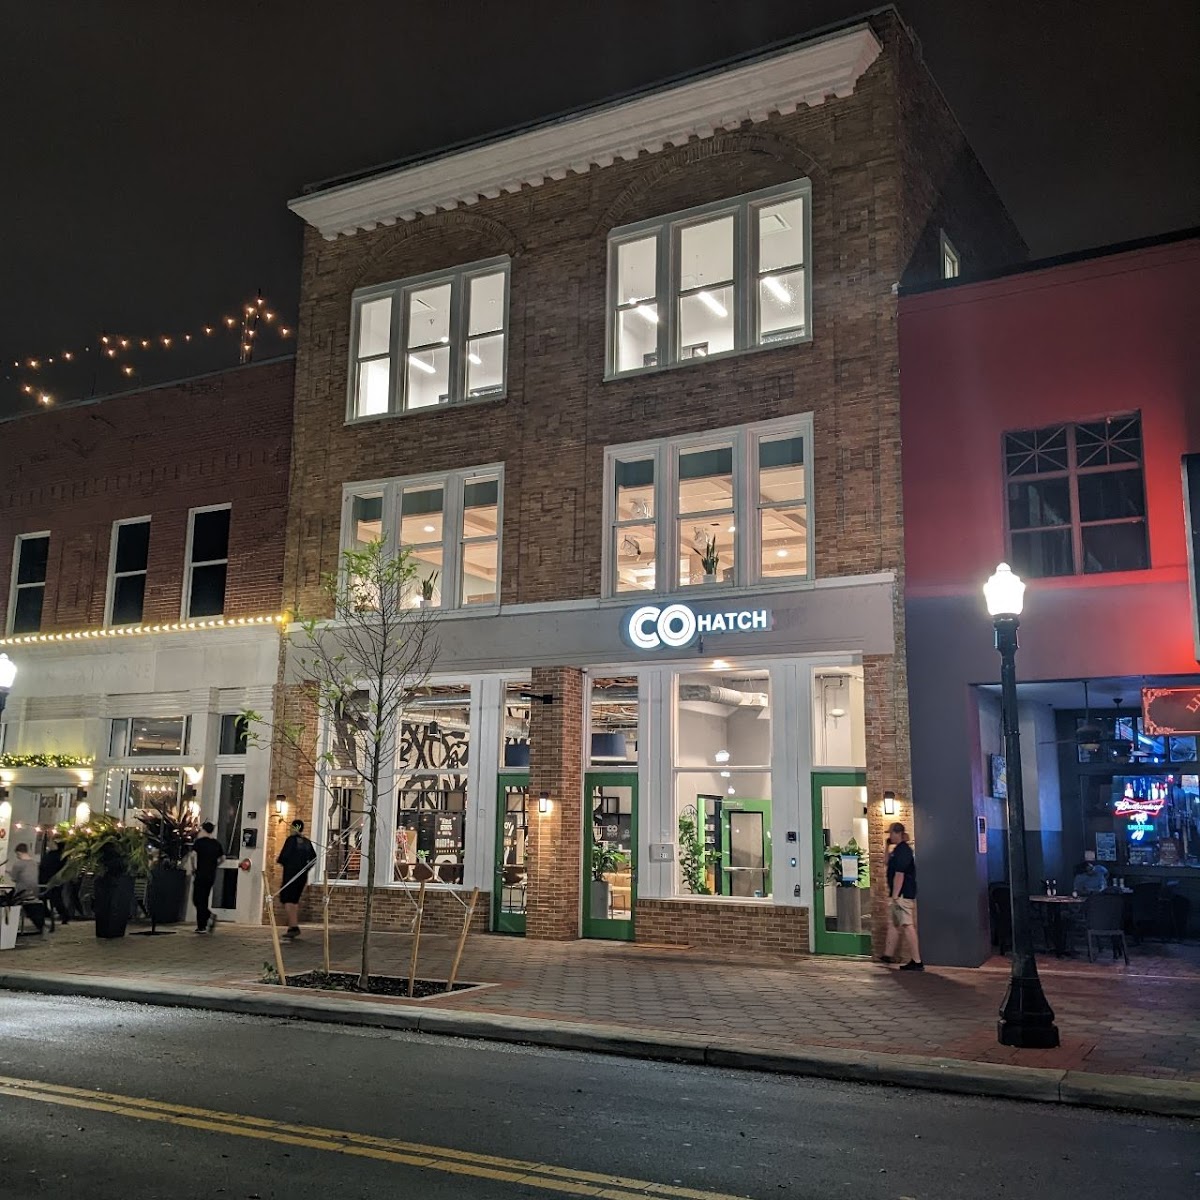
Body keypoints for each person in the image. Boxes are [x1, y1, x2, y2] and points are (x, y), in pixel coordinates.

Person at [880, 822, 923, 970]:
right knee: (894, 924)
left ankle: (917, 961)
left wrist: (895, 896)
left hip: (902, 894)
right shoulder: (897, 850)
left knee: (907, 925)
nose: (890, 836)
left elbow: (900, 874)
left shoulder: (904, 851)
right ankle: (888, 954)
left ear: (897, 833)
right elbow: (886, 862)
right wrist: (887, 846)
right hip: (899, 894)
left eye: (891, 833)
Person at [276, 819, 317, 939]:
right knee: (294, 900)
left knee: (287, 899)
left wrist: (287, 863)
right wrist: (305, 869)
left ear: (294, 828)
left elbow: (283, 857)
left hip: (290, 875)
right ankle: (292, 926)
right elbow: (314, 858)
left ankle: (293, 926)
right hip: (302, 876)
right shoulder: (306, 842)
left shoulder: (291, 840)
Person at [191, 821, 225, 934]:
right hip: (211, 875)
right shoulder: (216, 844)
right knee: (204, 899)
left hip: (200, 874)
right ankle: (204, 923)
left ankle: (204, 923)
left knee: (197, 899)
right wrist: (215, 865)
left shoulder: (199, 843)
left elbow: (193, 856)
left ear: (203, 830)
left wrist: (193, 868)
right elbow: (222, 858)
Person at [9, 844, 48, 935]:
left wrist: (10, 873)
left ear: (19, 853)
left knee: (7, 900)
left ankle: (10, 925)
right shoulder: (34, 863)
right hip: (35, 891)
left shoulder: (18, 864)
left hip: (22, 892)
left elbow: (14, 879)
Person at [39, 838, 72, 925]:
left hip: (47, 879)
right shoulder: (63, 856)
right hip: (57, 880)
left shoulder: (50, 856)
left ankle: (49, 914)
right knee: (56, 898)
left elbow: (43, 867)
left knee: (47, 897)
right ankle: (63, 915)